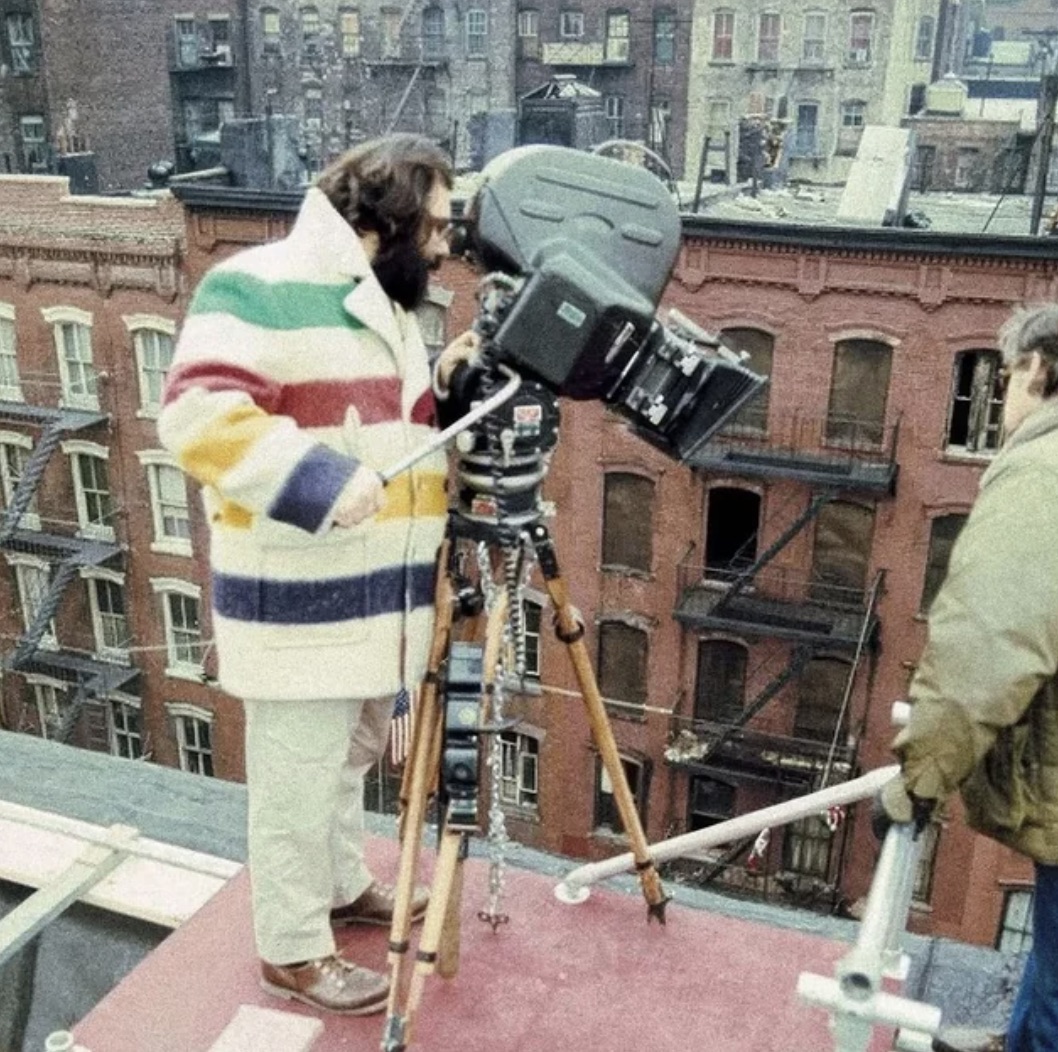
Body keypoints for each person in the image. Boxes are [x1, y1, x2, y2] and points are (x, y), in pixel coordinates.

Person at [158, 135, 480, 1015]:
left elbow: (377, 425)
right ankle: (293, 950)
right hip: (299, 611)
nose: (445, 246)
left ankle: (339, 887)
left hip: (377, 605)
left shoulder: (383, 303)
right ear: (386, 219)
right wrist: (319, 482)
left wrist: (444, 389)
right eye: (436, 225)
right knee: (296, 783)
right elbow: (195, 415)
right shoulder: (254, 282)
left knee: (348, 760)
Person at [876, 303, 1058, 1052]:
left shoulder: (1045, 473)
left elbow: (986, 645)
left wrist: (916, 784)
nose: (1003, 401)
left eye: (1007, 377)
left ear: (1039, 369)